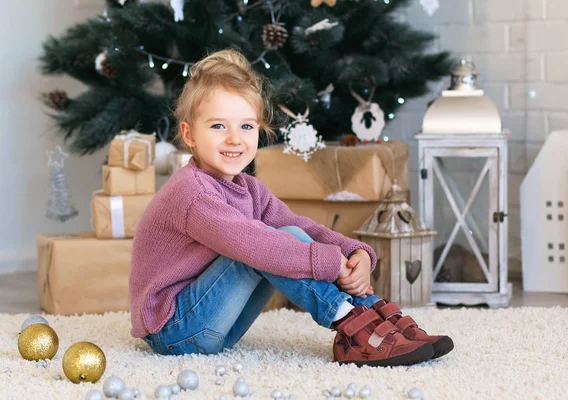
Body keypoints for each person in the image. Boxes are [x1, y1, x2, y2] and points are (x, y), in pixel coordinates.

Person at [129, 49, 453, 367]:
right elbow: (255, 244)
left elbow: (299, 226)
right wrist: (329, 263)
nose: (234, 139)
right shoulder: (192, 193)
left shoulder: (249, 188)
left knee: (287, 233)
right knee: (261, 246)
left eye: (246, 127)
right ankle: (351, 323)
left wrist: (355, 253)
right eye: (218, 127)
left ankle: (370, 311)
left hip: (218, 325)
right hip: (176, 330)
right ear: (189, 135)